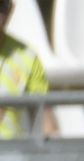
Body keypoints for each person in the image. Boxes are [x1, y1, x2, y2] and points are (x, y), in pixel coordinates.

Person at [0, 0, 59, 140]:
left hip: (12, 156)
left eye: (2, 6)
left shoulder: (28, 57)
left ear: (10, 11)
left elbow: (47, 123)